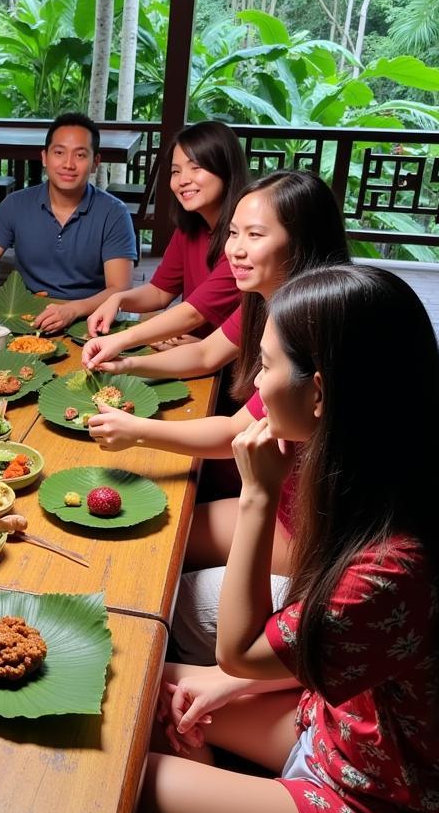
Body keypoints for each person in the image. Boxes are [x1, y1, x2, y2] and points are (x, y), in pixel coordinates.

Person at [123, 266, 439, 813]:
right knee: (141, 687)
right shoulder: (389, 477)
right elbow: (334, 646)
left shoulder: (396, 561)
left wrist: (259, 495)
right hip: (352, 730)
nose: (255, 385)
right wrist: (226, 685)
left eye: (266, 365)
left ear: (321, 394)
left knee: (138, 788)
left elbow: (239, 651)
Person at [86, 171, 350, 654]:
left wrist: (136, 430)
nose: (236, 249)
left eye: (256, 235)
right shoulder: (266, 298)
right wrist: (126, 359)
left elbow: (234, 430)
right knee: (162, 536)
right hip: (284, 496)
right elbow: (206, 354)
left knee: (158, 565)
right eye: (233, 233)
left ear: (302, 240)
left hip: (309, 525)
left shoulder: (309, 322)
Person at [0, 112, 137, 333]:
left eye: (80, 155)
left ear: (96, 162)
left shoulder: (114, 213)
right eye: (59, 153)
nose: (68, 164)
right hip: (28, 319)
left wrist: (73, 310)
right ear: (45, 157)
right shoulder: (16, 205)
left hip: (90, 320)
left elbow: (120, 289)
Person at [85, 121, 246, 347]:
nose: (183, 180)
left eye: (196, 167)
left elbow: (194, 314)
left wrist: (120, 340)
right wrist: (119, 299)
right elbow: (160, 292)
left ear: (225, 168)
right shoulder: (190, 228)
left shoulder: (243, 241)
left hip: (238, 366)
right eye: (175, 171)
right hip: (194, 349)